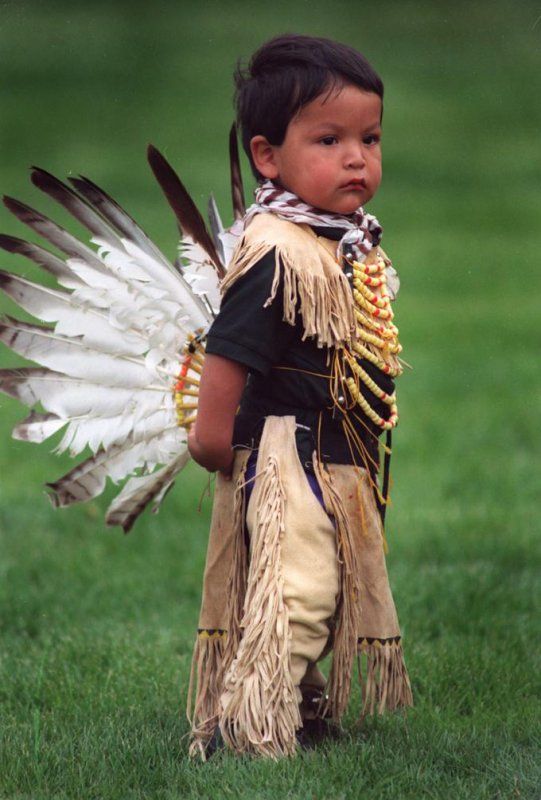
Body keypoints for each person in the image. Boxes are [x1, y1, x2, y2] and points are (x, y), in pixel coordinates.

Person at [187, 33, 413, 760]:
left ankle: (298, 707)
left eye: (369, 138)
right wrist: (214, 442)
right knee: (299, 593)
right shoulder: (278, 251)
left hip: (334, 457)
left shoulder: (342, 243)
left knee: (329, 588)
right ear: (266, 155)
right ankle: (244, 730)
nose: (356, 157)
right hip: (289, 457)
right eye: (329, 139)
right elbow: (228, 351)